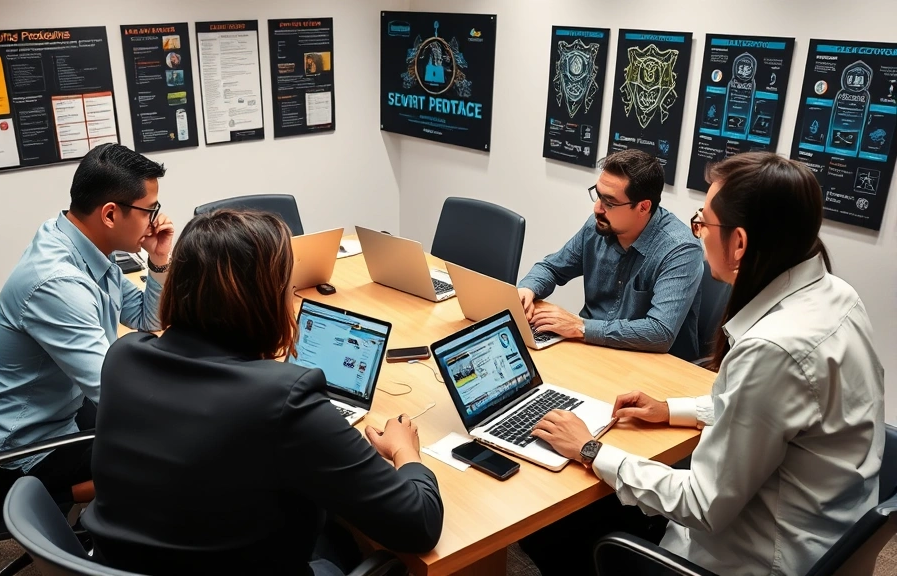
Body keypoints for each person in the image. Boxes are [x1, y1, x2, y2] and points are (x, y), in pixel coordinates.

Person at [520, 152, 885, 575]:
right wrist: (671, 410)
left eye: (704, 222)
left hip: (752, 558)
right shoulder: (837, 295)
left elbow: (702, 503)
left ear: (740, 243)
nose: (697, 232)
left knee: (550, 523)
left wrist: (590, 449)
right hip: (822, 533)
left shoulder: (774, 349)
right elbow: (768, 409)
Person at [82, 210, 444, 575]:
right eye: (288, 287)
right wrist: (404, 451)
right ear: (267, 299)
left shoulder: (123, 356)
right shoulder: (284, 399)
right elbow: (418, 524)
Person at [0, 143, 174, 502]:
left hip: (59, 409)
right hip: (31, 450)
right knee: (178, 451)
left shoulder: (78, 241)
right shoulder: (58, 283)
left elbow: (146, 318)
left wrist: (158, 259)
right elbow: (114, 394)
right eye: (149, 210)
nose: (156, 220)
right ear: (110, 215)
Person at [517, 149, 704, 360]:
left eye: (609, 202)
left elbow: (659, 332)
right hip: (592, 351)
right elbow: (552, 268)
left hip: (651, 365)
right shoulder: (597, 226)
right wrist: (528, 289)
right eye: (598, 195)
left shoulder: (680, 250)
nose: (597, 208)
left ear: (643, 207)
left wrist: (581, 327)